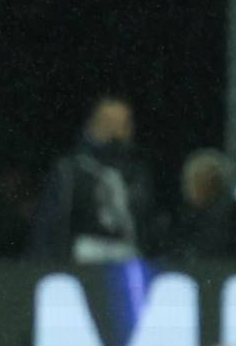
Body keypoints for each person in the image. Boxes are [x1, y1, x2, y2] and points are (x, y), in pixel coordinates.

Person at [32, 95, 152, 266]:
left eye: (123, 124)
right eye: (108, 122)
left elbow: (147, 224)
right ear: (92, 125)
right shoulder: (70, 170)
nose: (116, 130)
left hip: (129, 256)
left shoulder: (137, 173)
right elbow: (51, 224)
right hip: (82, 258)